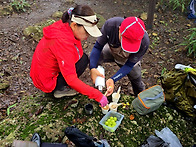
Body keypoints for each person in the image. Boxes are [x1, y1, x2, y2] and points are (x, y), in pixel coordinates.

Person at [30, 5, 108, 107]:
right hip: (47, 81)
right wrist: (97, 95)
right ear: (75, 25)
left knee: (83, 59)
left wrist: (92, 69)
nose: (88, 36)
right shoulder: (62, 42)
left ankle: (61, 85)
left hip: (44, 73)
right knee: (82, 61)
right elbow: (71, 79)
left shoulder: (66, 26)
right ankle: (60, 89)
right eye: (87, 32)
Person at [90, 16, 150, 97]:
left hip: (129, 59)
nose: (128, 48)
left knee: (136, 79)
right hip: (112, 51)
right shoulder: (110, 25)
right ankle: (98, 82)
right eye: (126, 41)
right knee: (94, 57)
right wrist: (93, 68)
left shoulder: (144, 42)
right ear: (119, 29)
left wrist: (113, 79)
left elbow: (129, 65)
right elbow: (97, 47)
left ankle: (140, 97)